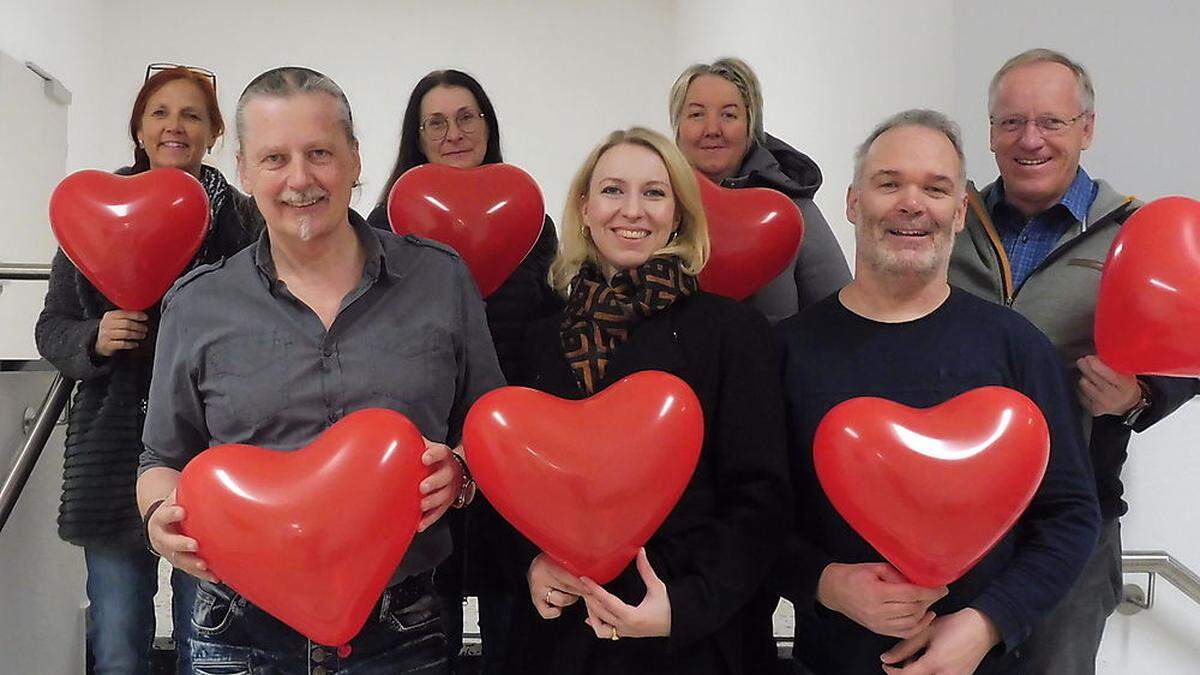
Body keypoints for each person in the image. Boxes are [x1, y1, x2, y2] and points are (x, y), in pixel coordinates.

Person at [136, 66, 504, 674]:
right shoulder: (196, 304)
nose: (300, 179)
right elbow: (160, 461)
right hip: (237, 629)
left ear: (356, 159)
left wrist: (462, 470)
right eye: (275, 158)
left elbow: (489, 425)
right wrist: (157, 520)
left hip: (401, 628)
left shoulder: (441, 282)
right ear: (246, 171)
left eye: (320, 153)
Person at [776, 110, 1100, 674]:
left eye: (935, 188)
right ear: (854, 203)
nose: (912, 203)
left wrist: (987, 623)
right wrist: (825, 584)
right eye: (889, 183)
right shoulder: (786, 352)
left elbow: (1069, 515)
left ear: (959, 214)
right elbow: (751, 516)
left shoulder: (1016, 348)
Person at [500, 127, 790, 674]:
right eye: (613, 190)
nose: (632, 210)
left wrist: (684, 606)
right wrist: (532, 565)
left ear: (678, 212)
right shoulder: (540, 338)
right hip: (563, 641)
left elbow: (763, 497)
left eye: (654, 193)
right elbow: (513, 480)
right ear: (585, 209)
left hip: (692, 640)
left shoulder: (735, 332)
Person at [948, 48, 1199, 674]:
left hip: (1075, 516)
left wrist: (1139, 397)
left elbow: (1188, 345)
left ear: (1086, 128)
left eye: (1051, 122)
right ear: (990, 132)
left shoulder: (1135, 231)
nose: (1029, 140)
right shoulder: (944, 223)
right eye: (1010, 123)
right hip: (948, 520)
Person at [34, 63, 260, 675]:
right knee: (116, 638)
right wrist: (95, 336)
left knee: (210, 642)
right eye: (160, 113)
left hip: (210, 455)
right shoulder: (93, 211)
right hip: (111, 455)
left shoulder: (244, 219)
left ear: (214, 131)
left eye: (192, 114)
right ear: (138, 126)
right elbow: (51, 325)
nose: (174, 127)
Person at [368, 69, 560, 673]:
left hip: (513, 446)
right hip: (423, 451)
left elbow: (547, 325)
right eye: (436, 122)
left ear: (487, 124)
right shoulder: (382, 228)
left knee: (512, 606)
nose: (454, 133)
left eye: (467, 116)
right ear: (416, 137)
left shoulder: (534, 222)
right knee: (431, 608)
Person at [669, 57, 851, 324]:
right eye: (696, 114)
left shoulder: (789, 208)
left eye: (729, 115)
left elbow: (840, 314)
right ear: (678, 126)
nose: (712, 129)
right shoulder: (652, 206)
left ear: (750, 126)